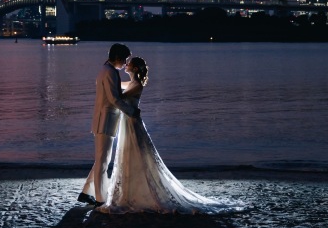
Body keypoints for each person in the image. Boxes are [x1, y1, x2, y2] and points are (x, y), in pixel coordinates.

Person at [97, 56, 240, 214]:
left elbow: (119, 97)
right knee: (129, 153)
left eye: (129, 63)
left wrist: (109, 86)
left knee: (136, 153)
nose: (126, 64)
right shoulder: (132, 83)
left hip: (132, 123)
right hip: (128, 121)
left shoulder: (136, 85)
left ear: (135, 68)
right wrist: (108, 81)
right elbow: (117, 87)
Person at [78, 43, 140, 207]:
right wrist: (131, 111)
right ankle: (100, 199)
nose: (126, 63)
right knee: (103, 161)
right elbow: (114, 99)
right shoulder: (110, 72)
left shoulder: (107, 70)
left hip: (104, 120)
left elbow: (116, 93)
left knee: (101, 160)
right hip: (105, 120)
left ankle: (86, 193)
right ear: (118, 58)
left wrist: (134, 83)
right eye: (125, 60)